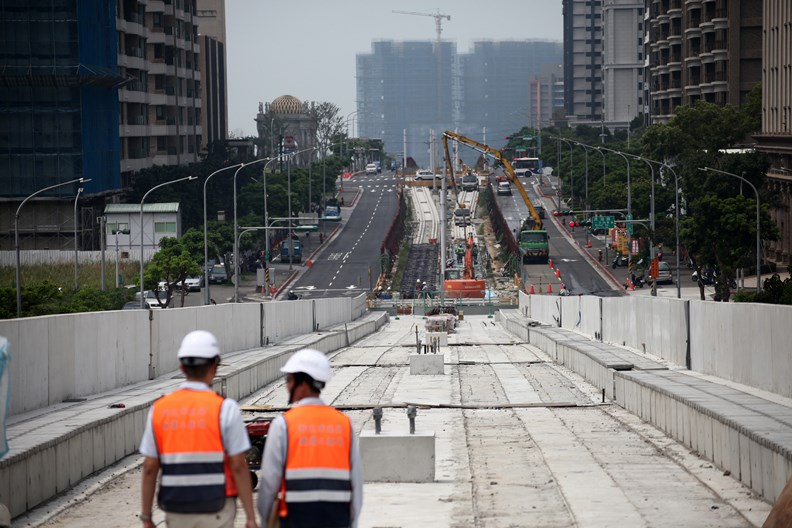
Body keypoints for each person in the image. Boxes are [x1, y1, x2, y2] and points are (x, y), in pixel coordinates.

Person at [139, 331, 258, 528]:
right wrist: (250, 517)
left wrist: (146, 517)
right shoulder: (225, 409)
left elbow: (150, 467)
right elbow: (238, 465)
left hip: (177, 507)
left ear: (181, 366)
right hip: (217, 506)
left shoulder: (160, 409)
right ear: (214, 367)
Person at [257, 349, 363, 528]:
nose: (287, 385)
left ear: (303, 384)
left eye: (289, 380)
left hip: (295, 518)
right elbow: (356, 483)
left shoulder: (283, 424)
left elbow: (269, 482)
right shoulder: (344, 424)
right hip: (337, 519)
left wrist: (266, 519)